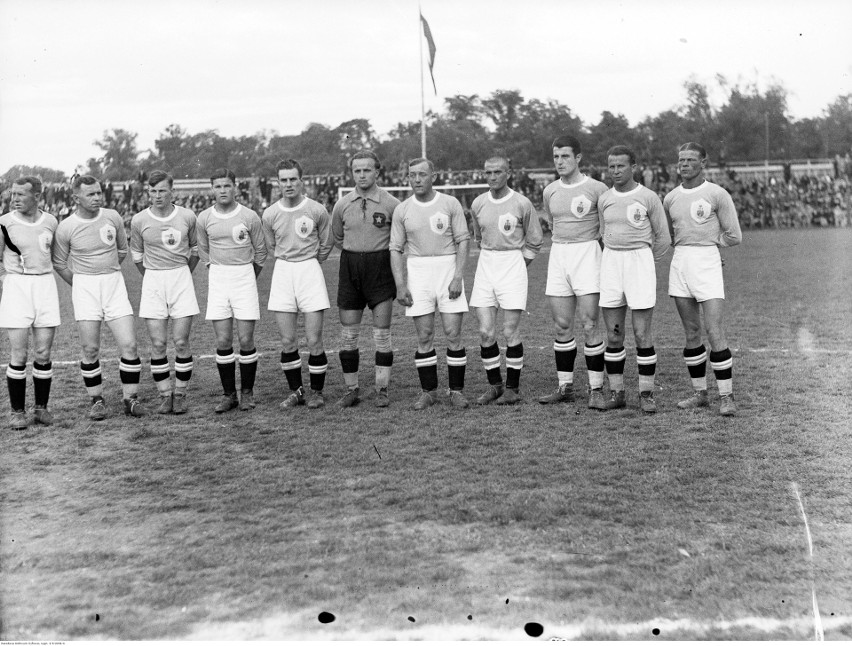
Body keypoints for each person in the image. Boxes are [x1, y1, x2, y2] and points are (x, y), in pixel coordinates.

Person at [52, 175, 147, 419]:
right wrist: (82, 281)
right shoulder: (66, 227)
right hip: (85, 288)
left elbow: (122, 249)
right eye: (90, 194)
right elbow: (60, 263)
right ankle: (97, 400)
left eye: (98, 193)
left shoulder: (113, 217)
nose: (97, 197)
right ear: (76, 198)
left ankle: (130, 399)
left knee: (129, 344)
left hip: (114, 284)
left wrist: (106, 271)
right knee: (90, 348)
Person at [663, 142, 742, 416]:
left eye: (690, 160)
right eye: (680, 159)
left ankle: (727, 397)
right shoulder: (670, 198)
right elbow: (671, 237)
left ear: (703, 163)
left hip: (707, 262)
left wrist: (710, 246)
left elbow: (734, 235)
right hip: (681, 262)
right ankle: (700, 393)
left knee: (714, 330)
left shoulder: (717, 194)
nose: (683, 164)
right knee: (692, 332)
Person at [389, 157, 471, 410]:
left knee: (453, 334)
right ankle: (429, 392)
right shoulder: (402, 209)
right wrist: (400, 285)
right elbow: (395, 249)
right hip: (418, 271)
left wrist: (458, 276)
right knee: (424, 335)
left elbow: (463, 241)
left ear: (433, 176)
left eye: (422, 174)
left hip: (447, 269)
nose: (417, 179)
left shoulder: (449, 203)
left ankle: (456, 391)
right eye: (412, 175)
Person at [596, 145, 671, 413]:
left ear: (634, 167)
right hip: (612, 263)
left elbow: (663, 238)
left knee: (641, 333)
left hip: (640, 262)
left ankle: (646, 394)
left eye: (621, 166)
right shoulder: (604, 198)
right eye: (612, 166)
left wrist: (649, 263)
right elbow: (603, 235)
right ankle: (617, 393)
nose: (616, 171)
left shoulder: (648, 197)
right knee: (614, 335)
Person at [538, 135, 609, 408]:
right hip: (559, 255)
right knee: (562, 325)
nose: (559, 161)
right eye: (556, 156)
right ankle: (565, 386)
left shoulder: (597, 188)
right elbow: (554, 224)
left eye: (565, 156)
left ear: (578, 158)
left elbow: (604, 227)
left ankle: (596, 389)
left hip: (588, 253)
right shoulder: (550, 191)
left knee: (590, 323)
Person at [469, 156, 542, 405]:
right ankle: (495, 386)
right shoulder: (478, 203)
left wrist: (519, 266)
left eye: (497, 172)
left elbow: (535, 240)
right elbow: (478, 237)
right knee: (485, 332)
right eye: (488, 172)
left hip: (513, 264)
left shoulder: (521, 203)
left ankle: (512, 388)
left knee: (510, 330)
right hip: (486, 264)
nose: (492, 177)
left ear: (507, 173)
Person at [331, 151, 400, 408]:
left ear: (377, 172)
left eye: (367, 170)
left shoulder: (391, 204)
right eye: (357, 170)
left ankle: (382, 389)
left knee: (382, 334)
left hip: (380, 270)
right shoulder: (342, 204)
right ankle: (352, 389)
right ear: (352, 173)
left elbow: (399, 239)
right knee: (348, 335)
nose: (362, 175)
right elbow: (338, 237)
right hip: (350, 270)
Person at [262, 159, 332, 409]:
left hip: (310, 270)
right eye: (284, 180)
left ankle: (316, 391)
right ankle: (297, 391)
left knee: (314, 339)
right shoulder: (270, 213)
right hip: (283, 272)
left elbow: (326, 242)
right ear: (278, 183)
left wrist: (311, 262)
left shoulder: (316, 209)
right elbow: (271, 246)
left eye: (293, 179)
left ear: (301, 181)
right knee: (288, 340)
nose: (289, 184)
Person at [196, 168, 267, 413]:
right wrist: (217, 270)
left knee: (246, 339)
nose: (223, 191)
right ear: (211, 189)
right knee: (223, 339)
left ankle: (247, 392)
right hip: (218, 277)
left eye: (227, 186)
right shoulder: (204, 218)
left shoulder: (249, 216)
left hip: (244, 276)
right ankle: (229, 395)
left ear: (235, 187)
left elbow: (260, 251)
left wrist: (247, 275)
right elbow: (203, 250)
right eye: (218, 186)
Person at [130, 170, 200, 415]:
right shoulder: (139, 220)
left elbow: (195, 249)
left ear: (172, 191)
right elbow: (137, 256)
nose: (157, 195)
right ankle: (164, 395)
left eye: (161, 190)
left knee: (181, 341)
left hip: (181, 277)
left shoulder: (187, 216)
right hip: (153, 281)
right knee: (158, 343)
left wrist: (182, 272)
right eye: (152, 191)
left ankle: (179, 394)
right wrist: (153, 275)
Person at [0, 177, 60, 429]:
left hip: (45, 285)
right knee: (19, 352)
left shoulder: (51, 221)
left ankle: (41, 409)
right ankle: (17, 412)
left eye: (20, 195)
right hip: (17, 286)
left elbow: (55, 256)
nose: (14, 199)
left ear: (37, 196)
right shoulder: (4, 222)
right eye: (12, 194)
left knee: (43, 353)